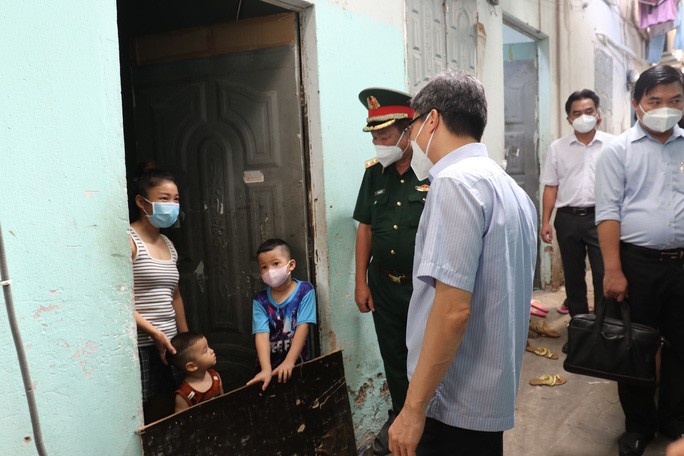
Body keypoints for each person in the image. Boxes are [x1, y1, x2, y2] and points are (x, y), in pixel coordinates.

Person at [388, 70, 537, 456]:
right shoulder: (512, 190)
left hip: (452, 401)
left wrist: (412, 410)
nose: (412, 138)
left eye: (413, 126)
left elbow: (453, 310)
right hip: (489, 396)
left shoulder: (455, 183)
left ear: (432, 120)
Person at [595, 64, 684, 456]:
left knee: (681, 347)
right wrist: (613, 270)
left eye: (676, 100)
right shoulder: (617, 150)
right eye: (656, 101)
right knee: (634, 347)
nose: (667, 107)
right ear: (637, 105)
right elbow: (608, 212)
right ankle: (638, 425)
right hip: (637, 264)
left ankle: (674, 419)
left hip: (682, 265)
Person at [353, 88, 430, 455]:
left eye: (384, 135)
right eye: (373, 136)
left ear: (407, 130)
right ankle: (401, 423)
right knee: (395, 361)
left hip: (423, 289)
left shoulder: (434, 173)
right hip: (383, 286)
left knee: (425, 362)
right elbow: (365, 228)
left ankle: (429, 428)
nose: (378, 143)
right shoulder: (374, 175)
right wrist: (359, 283)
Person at [540, 89, 614, 330]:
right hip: (568, 219)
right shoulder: (558, 148)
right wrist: (545, 222)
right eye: (577, 113)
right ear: (569, 118)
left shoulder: (613, 146)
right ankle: (580, 329)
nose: (583, 117)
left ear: (598, 115)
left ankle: (605, 329)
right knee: (573, 277)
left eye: (589, 112)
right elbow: (551, 186)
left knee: (605, 274)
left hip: (602, 218)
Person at [129, 168, 189, 424]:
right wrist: (153, 332)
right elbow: (120, 304)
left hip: (171, 343)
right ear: (142, 202)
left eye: (176, 199)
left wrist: (186, 341)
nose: (172, 205)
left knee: (173, 410)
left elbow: (175, 296)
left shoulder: (168, 244)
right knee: (152, 417)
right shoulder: (129, 240)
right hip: (145, 346)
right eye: (164, 198)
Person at [246, 239, 317, 391]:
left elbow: (303, 328)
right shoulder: (260, 300)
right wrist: (266, 369)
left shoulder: (305, 291)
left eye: (276, 263)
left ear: (291, 265)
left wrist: (290, 361)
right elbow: (261, 334)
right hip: (268, 372)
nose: (270, 271)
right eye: (264, 267)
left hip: (298, 365)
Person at [166, 331, 223, 413]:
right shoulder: (184, 395)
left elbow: (224, 403)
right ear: (192, 366)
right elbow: (181, 421)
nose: (212, 351)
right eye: (205, 350)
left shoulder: (215, 377)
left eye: (208, 347)